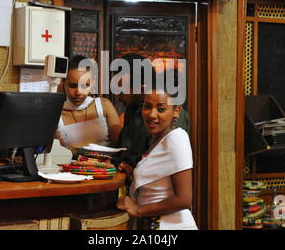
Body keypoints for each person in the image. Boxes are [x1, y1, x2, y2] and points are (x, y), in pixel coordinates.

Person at [116, 71, 197, 230]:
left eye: (161, 109)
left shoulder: (177, 137)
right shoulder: (159, 139)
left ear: (176, 111)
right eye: (147, 106)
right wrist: (133, 173)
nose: (152, 114)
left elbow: (184, 199)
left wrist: (138, 209)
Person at [114, 53, 190, 175]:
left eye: (121, 89)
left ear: (142, 88)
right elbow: (125, 152)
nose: (117, 96)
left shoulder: (170, 115)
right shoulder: (132, 109)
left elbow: (163, 163)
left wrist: (132, 168)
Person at [55, 55, 122, 155]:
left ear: (92, 84)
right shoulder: (56, 113)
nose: (78, 92)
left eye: (85, 85)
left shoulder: (104, 106)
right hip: (70, 169)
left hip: (106, 168)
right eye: (72, 86)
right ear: (63, 83)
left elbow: (120, 144)